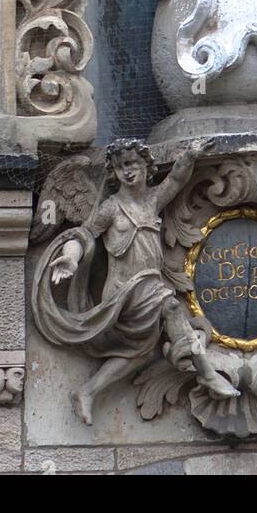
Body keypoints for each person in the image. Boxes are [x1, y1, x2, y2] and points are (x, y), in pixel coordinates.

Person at [33, 138, 238, 424]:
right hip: (124, 291)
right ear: (114, 174)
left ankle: (87, 391)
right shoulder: (111, 208)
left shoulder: (152, 201)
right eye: (119, 167)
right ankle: (207, 374)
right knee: (171, 307)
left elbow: (177, 178)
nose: (126, 172)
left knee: (140, 354)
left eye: (131, 164)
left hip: (149, 285)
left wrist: (192, 154)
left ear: (145, 166)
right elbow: (84, 234)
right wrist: (70, 256)